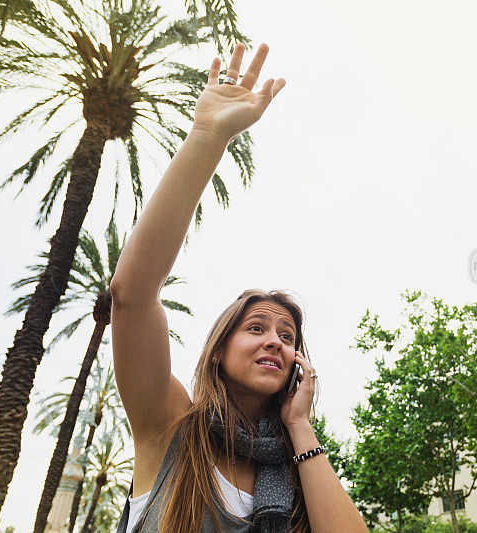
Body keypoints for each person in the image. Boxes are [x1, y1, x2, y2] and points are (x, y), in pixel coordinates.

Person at [109, 43, 368, 533]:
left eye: (288, 336)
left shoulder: (299, 475)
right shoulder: (167, 427)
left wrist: (299, 426)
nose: (275, 340)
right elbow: (132, 293)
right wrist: (207, 136)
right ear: (217, 350)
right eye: (256, 327)